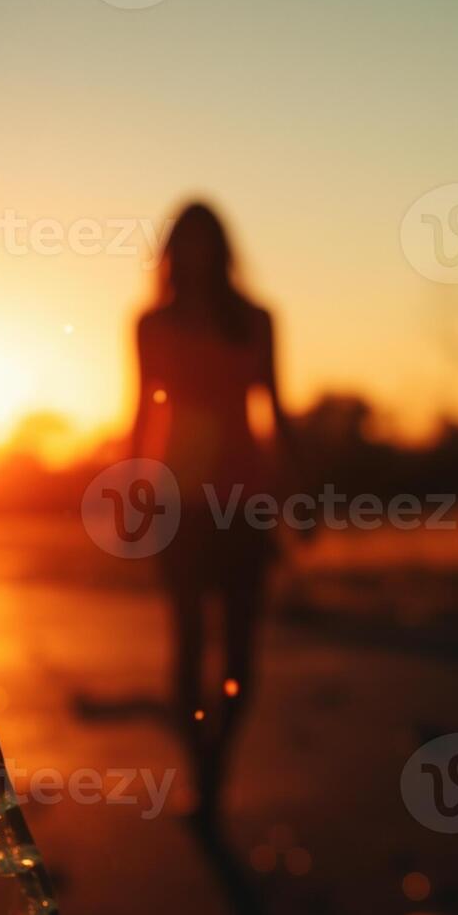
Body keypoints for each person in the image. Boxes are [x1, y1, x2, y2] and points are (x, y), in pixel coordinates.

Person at [129, 201, 294, 827]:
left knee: (243, 661)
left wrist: (296, 494)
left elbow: (275, 411)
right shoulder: (153, 324)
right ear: (176, 250)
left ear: (221, 249)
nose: (195, 254)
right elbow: (143, 412)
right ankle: (203, 777)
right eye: (185, 241)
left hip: (244, 503)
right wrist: (131, 493)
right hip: (181, 502)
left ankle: (217, 763)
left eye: (206, 241)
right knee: (189, 647)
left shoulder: (256, 320)